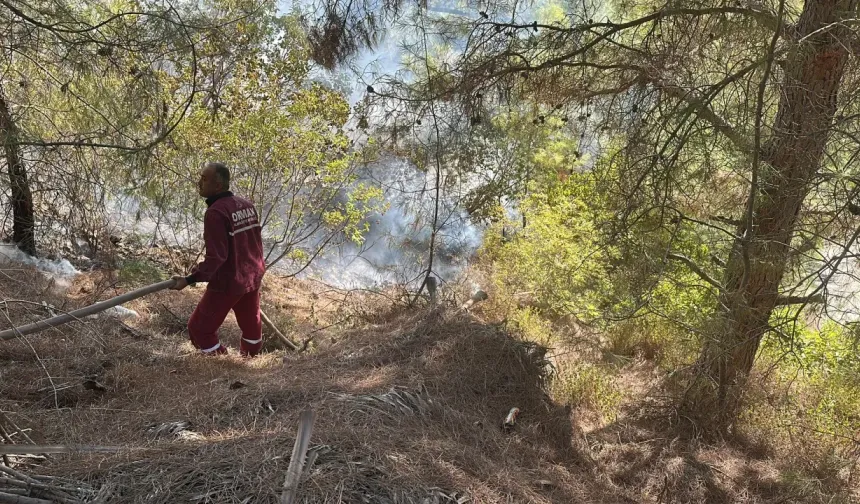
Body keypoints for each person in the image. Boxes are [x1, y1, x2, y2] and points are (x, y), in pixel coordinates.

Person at [171, 162, 266, 357]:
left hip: (228, 281)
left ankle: (221, 362)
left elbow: (216, 257)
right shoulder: (247, 205)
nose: (199, 183)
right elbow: (255, 244)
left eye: (204, 179)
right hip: (251, 276)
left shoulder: (215, 213)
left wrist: (189, 280)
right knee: (251, 325)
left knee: (199, 330)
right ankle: (250, 359)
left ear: (218, 185)